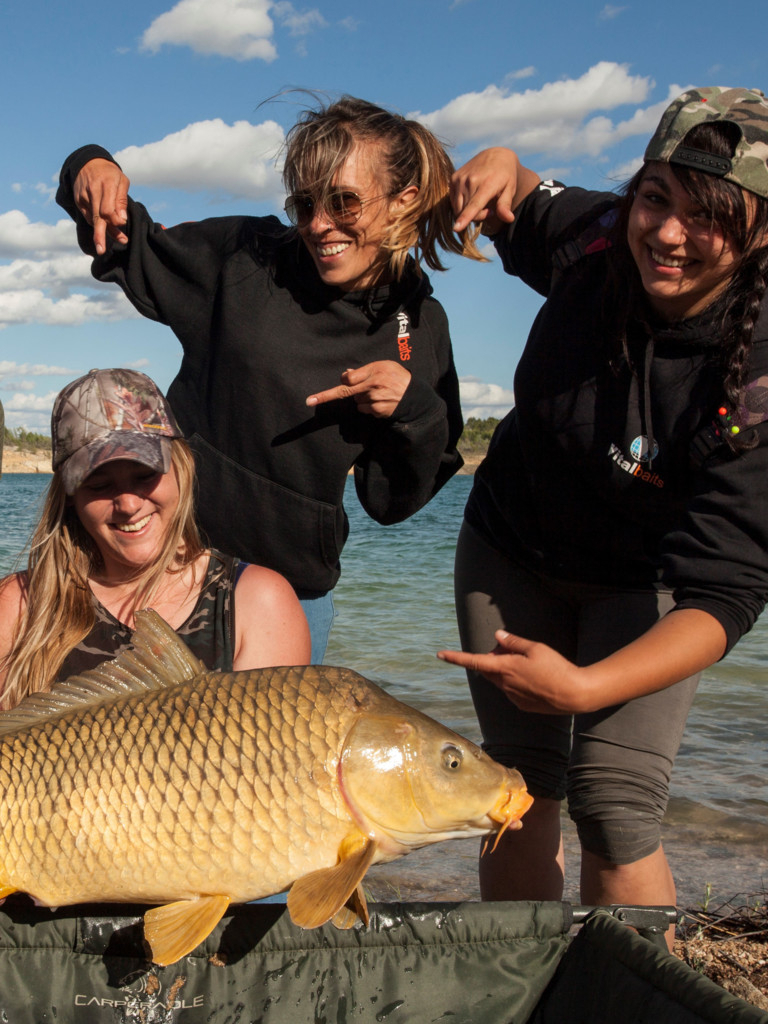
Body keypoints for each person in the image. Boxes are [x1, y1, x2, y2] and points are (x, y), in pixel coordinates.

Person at [438, 87, 768, 947]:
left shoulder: (762, 374)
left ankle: (625, 993)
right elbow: (521, 193)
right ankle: (515, 988)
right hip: (511, 549)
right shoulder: (596, 241)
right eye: (656, 197)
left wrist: (585, 688)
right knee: (515, 791)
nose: (666, 233)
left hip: (652, 586)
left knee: (616, 808)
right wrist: (505, 164)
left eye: (710, 217)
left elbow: (726, 593)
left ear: (763, 230)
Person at [56, 97, 484, 662]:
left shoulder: (418, 327)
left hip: (291, 593)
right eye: (304, 204)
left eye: (344, 202)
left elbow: (389, 500)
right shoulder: (246, 257)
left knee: (266, 754)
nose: (317, 224)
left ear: (402, 200)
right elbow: (126, 239)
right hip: (166, 568)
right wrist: (87, 166)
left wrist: (414, 411)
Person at [0, 368, 311, 710]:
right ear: (71, 495)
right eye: (100, 485)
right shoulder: (19, 606)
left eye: (145, 474)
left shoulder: (257, 603)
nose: (129, 504)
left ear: (182, 467)